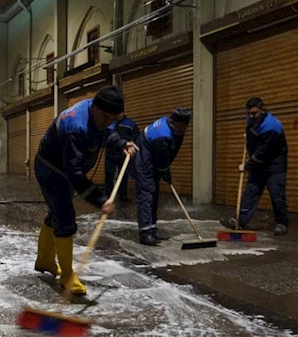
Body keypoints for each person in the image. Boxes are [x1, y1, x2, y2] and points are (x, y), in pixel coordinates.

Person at [34, 86, 138, 295]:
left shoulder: (100, 114)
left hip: (66, 168)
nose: (108, 122)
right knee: (64, 218)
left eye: (112, 119)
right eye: (105, 117)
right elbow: (75, 175)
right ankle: (67, 276)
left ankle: (45, 260)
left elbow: (106, 134)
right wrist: (100, 200)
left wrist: (122, 144)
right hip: (51, 169)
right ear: (95, 108)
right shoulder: (74, 127)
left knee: (56, 211)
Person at [220, 97, 289, 235]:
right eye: (249, 113)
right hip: (258, 164)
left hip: (274, 165)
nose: (251, 116)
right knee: (250, 193)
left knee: (277, 194)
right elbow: (255, 143)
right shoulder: (252, 120)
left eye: (254, 113)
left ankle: (282, 224)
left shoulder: (272, 126)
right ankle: (239, 221)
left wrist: (246, 166)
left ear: (262, 110)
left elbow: (263, 152)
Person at [131, 108, 192, 246]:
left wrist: (165, 171)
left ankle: (152, 228)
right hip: (143, 162)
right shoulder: (162, 136)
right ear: (173, 122)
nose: (184, 129)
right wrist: (167, 174)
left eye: (186, 126)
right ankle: (145, 233)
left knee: (154, 194)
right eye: (182, 126)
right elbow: (161, 162)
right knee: (146, 195)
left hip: (152, 158)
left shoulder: (174, 128)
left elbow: (169, 155)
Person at [104, 113, 139, 202]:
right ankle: (108, 197)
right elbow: (106, 134)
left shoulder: (130, 123)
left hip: (124, 154)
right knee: (109, 175)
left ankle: (123, 196)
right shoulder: (110, 122)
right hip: (110, 153)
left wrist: (132, 145)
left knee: (123, 176)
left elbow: (136, 135)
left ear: (123, 112)